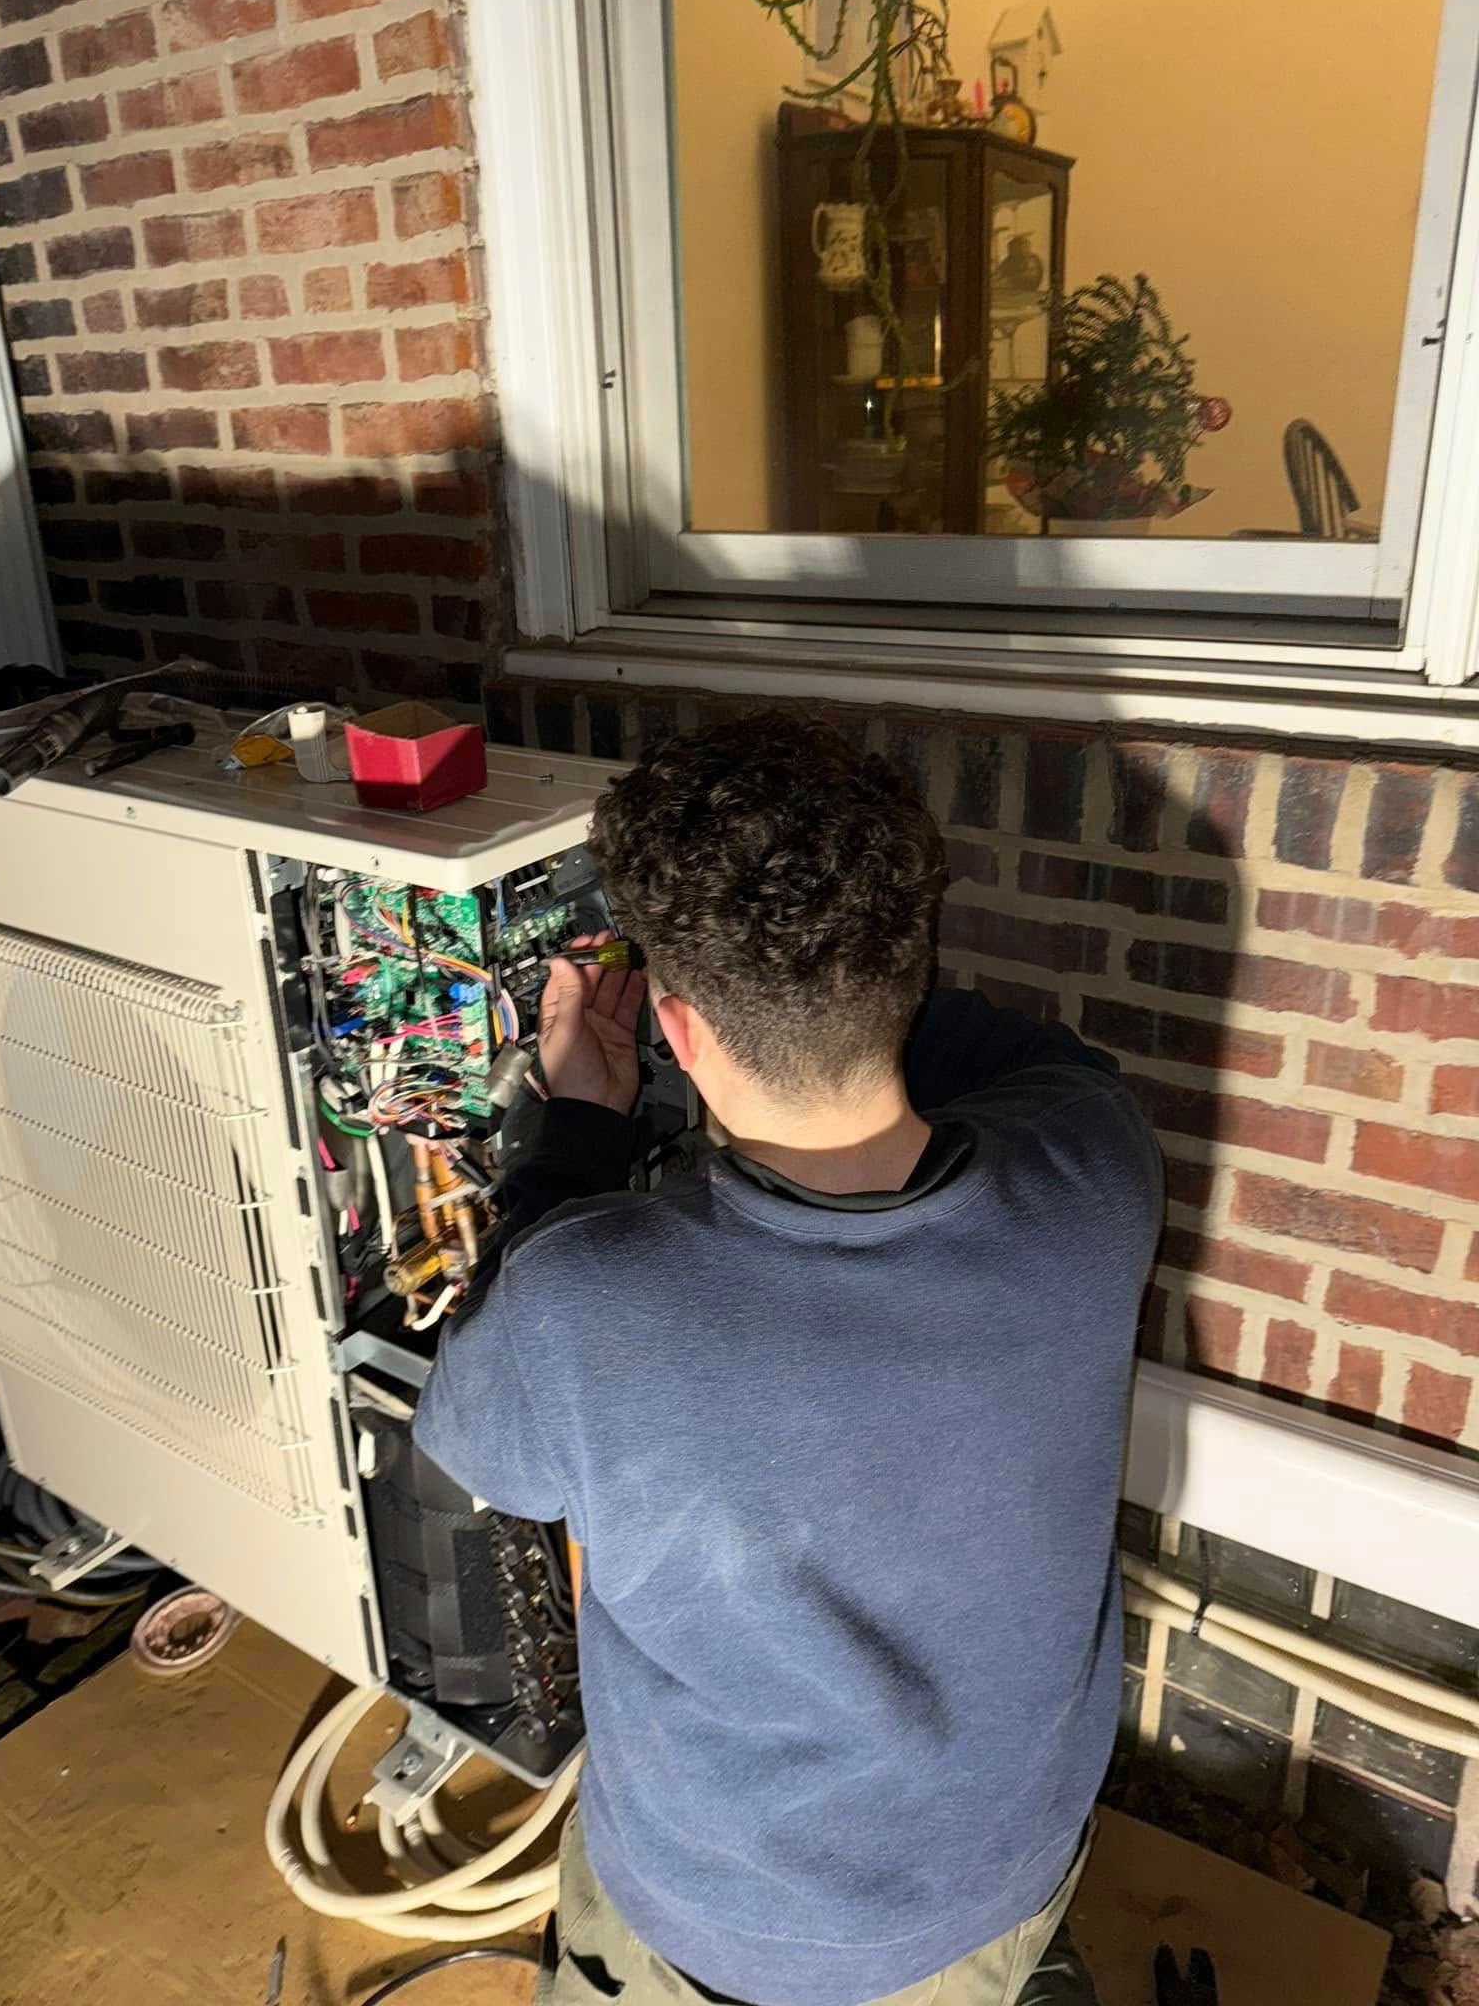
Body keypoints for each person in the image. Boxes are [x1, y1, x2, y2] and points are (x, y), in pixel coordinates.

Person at [414, 711, 1164, 2006]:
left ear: (684, 1034)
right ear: (910, 958)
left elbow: (474, 1434)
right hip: (1003, 1883)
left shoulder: (581, 1307)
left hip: (719, 1929)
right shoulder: (1101, 1170)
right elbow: (1041, 1060)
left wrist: (578, 1133)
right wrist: (848, 1001)